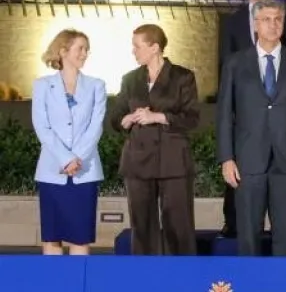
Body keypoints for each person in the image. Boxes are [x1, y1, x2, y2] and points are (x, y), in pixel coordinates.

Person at [217, 0, 286, 256]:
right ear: (255, 24)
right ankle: (250, 280)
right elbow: (224, 114)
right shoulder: (235, 63)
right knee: (248, 237)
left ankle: (282, 281)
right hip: (248, 161)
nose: (273, 25)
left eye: (278, 19)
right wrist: (226, 158)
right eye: (266, 20)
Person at [110, 24, 199, 256]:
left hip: (173, 161)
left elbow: (191, 118)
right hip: (138, 161)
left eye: (137, 46)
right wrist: (126, 119)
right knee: (142, 226)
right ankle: (144, 274)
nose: (133, 51)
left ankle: (181, 273)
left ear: (155, 47)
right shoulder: (130, 79)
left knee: (178, 225)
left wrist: (158, 117)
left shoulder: (183, 77)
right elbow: (115, 118)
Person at [217, 0, 281, 239]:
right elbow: (224, 64)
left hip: (276, 110)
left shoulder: (283, 20)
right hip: (243, 110)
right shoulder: (232, 21)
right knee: (238, 169)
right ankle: (232, 223)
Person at [32, 30, 106, 256]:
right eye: (80, 48)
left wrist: (77, 159)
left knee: (80, 236)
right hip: (52, 171)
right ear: (63, 51)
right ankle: (52, 279)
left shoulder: (96, 85)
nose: (85, 53)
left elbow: (96, 126)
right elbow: (42, 126)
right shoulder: (42, 85)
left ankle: (78, 279)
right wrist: (65, 159)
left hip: (85, 171)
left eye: (87, 49)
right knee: (52, 237)